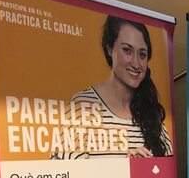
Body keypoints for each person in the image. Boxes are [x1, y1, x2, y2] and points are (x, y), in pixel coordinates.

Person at [55, 16, 172, 159]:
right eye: (127, 50)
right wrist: (125, 168)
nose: (136, 63)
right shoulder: (80, 107)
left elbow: (168, 171)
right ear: (109, 48)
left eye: (142, 54)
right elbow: (66, 172)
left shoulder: (153, 116)